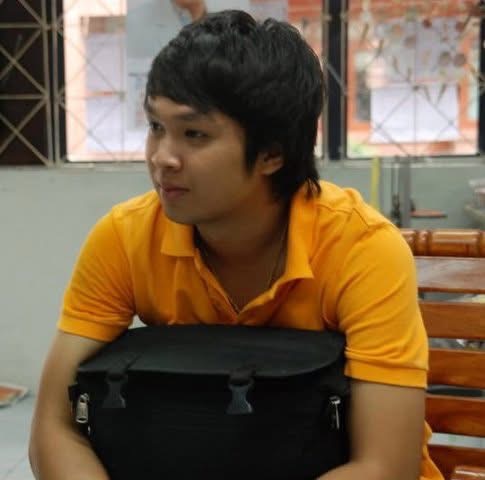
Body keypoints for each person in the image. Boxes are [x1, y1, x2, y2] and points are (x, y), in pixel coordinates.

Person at [29, 10, 443, 480]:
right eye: (156, 126)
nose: (162, 158)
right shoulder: (125, 237)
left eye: (194, 134)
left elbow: (385, 465)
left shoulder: (362, 250)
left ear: (272, 153)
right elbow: (53, 428)